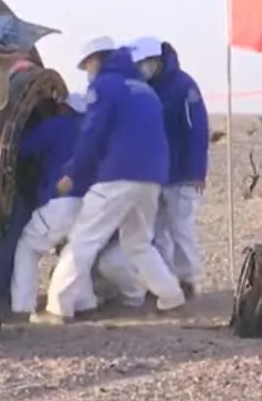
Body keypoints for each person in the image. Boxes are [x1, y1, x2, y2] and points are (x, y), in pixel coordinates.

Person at [32, 47, 186, 324]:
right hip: (152, 178)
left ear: (95, 60)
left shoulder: (105, 87)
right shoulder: (144, 90)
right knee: (138, 242)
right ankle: (171, 296)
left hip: (118, 176)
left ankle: (58, 308)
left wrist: (72, 173)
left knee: (83, 240)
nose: (87, 72)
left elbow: (93, 134)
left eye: (87, 65)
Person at [129, 36, 209, 297]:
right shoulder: (143, 87)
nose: (142, 67)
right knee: (157, 230)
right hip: (155, 174)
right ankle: (163, 281)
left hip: (181, 174)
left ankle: (188, 279)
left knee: (180, 228)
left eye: (145, 62)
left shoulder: (183, 86)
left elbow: (197, 130)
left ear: (157, 60)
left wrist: (197, 172)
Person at [9, 92, 93, 319]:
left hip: (60, 203)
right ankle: (84, 303)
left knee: (28, 247)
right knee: (74, 252)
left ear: (65, 108)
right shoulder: (93, 132)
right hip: (89, 205)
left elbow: (21, 147)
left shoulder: (58, 126)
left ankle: (21, 306)